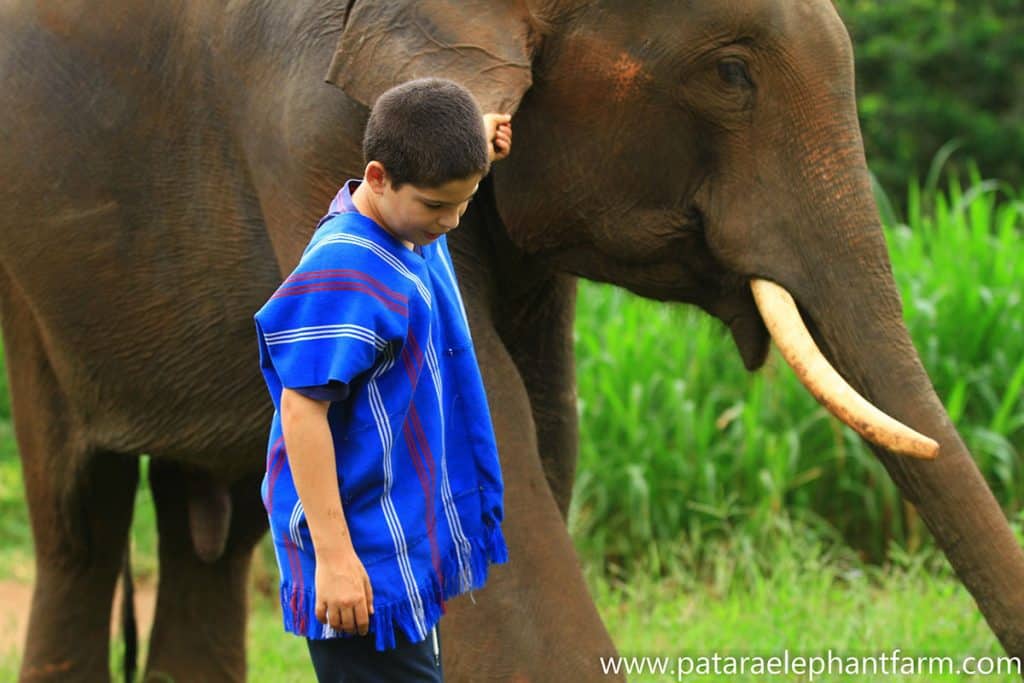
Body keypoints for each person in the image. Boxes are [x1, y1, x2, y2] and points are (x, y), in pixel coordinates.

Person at [254, 78, 513, 682]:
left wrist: (478, 131)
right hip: (361, 560)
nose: (450, 221)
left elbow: (441, 166)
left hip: (398, 536)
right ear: (377, 177)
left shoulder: (407, 221)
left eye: (465, 202)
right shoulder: (347, 266)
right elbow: (301, 408)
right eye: (435, 205)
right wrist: (336, 559)